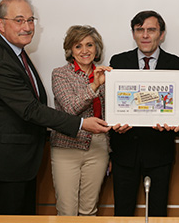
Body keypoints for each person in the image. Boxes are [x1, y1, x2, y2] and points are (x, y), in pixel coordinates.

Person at [0, 0, 111, 215]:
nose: (27, 27)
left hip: (23, 157)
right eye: (19, 20)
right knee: (13, 217)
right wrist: (82, 124)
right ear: (1, 23)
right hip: (8, 159)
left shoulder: (16, 53)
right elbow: (30, 109)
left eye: (30, 20)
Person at [109, 10, 179, 216]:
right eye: (139, 30)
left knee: (158, 212)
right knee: (122, 213)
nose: (145, 35)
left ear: (161, 34)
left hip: (159, 151)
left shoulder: (177, 65)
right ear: (133, 33)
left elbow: (178, 108)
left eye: (151, 30)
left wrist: (177, 120)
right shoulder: (118, 62)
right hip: (124, 151)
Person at [50, 25, 111, 216]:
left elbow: (111, 114)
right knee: (67, 212)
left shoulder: (108, 75)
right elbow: (70, 108)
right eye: (78, 46)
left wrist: (110, 148)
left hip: (98, 148)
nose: (85, 50)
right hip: (66, 147)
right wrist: (94, 85)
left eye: (89, 45)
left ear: (97, 48)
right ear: (70, 50)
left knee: (89, 210)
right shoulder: (60, 74)